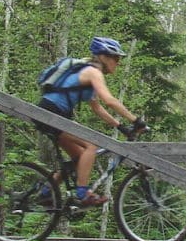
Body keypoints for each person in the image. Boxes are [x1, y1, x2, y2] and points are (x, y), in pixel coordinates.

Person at [36, 36, 147, 206]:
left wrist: (121, 127)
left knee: (80, 157)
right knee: (91, 146)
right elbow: (109, 100)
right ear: (103, 56)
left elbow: (97, 108)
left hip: (53, 114)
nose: (118, 63)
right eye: (115, 58)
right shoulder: (93, 72)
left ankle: (45, 193)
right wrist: (135, 120)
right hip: (52, 112)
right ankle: (82, 193)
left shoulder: (89, 73)